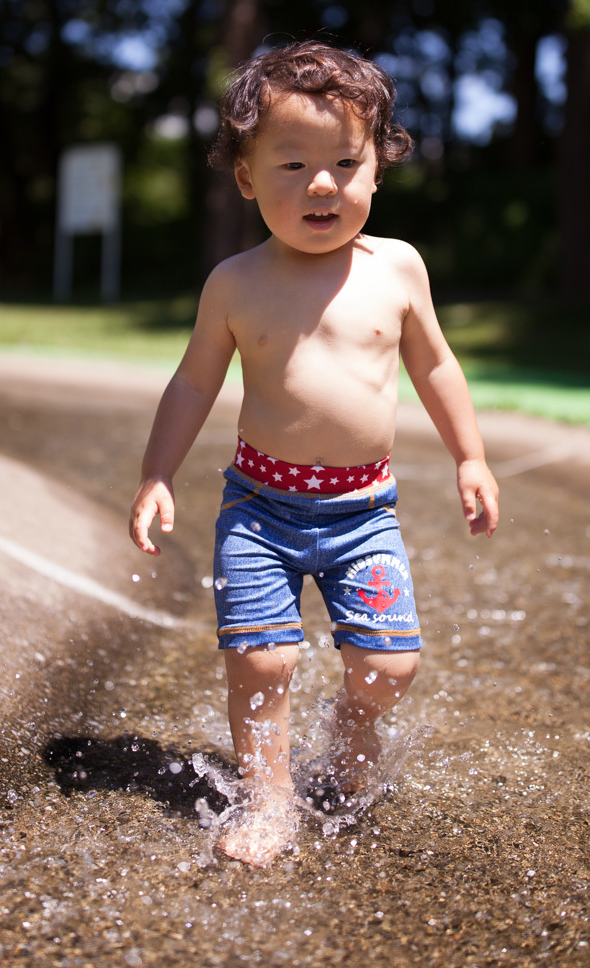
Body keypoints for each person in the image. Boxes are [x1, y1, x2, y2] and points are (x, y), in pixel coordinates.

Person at [129, 42, 499, 867]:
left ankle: (343, 753)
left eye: (344, 161)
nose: (321, 184)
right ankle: (267, 803)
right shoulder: (233, 283)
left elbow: (436, 365)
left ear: (377, 167)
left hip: (364, 513)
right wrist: (156, 474)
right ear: (247, 179)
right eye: (291, 165)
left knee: (387, 666)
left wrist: (469, 457)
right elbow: (191, 385)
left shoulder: (397, 269)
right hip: (257, 510)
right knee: (262, 658)